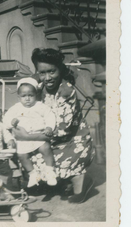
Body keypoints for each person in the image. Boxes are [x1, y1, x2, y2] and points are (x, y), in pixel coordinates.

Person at [12, 48, 95, 203]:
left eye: (52, 72)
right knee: (24, 153)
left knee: (52, 159)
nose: (47, 78)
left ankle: (82, 182)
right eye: (42, 73)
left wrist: (27, 136)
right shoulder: (38, 88)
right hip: (48, 139)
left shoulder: (66, 91)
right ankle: (57, 183)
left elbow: (62, 131)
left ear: (60, 70)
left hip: (71, 140)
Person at [3, 77, 57, 188]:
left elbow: (50, 116)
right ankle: (33, 174)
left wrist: (49, 127)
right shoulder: (15, 109)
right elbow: (5, 120)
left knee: (46, 148)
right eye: (23, 96)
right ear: (19, 97)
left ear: (36, 95)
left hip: (38, 136)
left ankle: (50, 171)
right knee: (22, 155)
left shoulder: (41, 106)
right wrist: (11, 122)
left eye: (30, 95)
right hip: (23, 139)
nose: (27, 99)